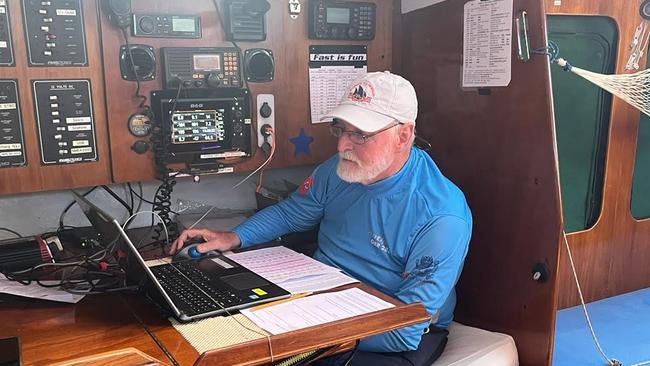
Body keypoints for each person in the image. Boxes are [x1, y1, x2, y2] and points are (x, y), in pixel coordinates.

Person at [171, 71, 472, 366]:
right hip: (320, 299)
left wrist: (301, 334)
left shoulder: (441, 216)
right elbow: (292, 212)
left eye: (360, 134)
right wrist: (233, 237)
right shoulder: (341, 169)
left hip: (387, 335)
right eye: (341, 129)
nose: (342, 146)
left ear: (403, 135)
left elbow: (405, 329)